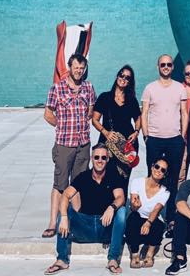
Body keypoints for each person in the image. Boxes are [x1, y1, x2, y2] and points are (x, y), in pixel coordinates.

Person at [45, 145, 128, 275]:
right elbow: (66, 195)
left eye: (103, 158)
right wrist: (65, 217)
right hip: (85, 227)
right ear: (91, 159)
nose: (99, 160)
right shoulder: (84, 177)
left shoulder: (114, 176)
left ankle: (113, 259)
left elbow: (121, 197)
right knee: (64, 213)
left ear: (107, 160)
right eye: (96, 157)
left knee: (121, 211)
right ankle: (62, 259)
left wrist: (112, 207)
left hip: (104, 227)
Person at [43, 53, 96, 239]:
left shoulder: (88, 88)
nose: (79, 71)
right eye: (76, 68)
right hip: (64, 144)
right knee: (60, 184)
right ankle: (52, 223)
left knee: (79, 184)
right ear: (69, 67)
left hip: (83, 144)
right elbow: (48, 114)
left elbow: (90, 111)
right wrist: (62, 125)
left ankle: (77, 222)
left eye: (82, 68)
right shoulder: (57, 89)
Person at [141, 54, 188, 228]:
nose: (166, 67)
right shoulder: (150, 88)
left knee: (173, 178)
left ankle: (170, 217)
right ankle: (149, 215)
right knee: (153, 177)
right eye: (163, 65)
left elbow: (184, 112)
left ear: (173, 67)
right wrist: (146, 136)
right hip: (154, 139)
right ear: (158, 66)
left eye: (169, 64)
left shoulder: (179, 88)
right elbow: (144, 112)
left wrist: (182, 136)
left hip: (174, 140)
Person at [92, 65, 142, 192]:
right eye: (122, 75)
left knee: (123, 180)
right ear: (117, 76)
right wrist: (106, 132)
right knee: (105, 177)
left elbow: (138, 118)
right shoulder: (105, 97)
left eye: (127, 78)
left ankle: (120, 209)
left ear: (130, 81)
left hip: (127, 146)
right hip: (107, 144)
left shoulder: (131, 100)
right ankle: (104, 208)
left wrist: (136, 132)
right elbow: (95, 120)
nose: (123, 79)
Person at [125, 155, 171, 268]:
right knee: (133, 218)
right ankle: (135, 254)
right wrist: (135, 205)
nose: (159, 171)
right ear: (152, 167)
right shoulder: (137, 182)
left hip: (151, 221)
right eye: (157, 166)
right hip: (137, 218)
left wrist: (148, 222)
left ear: (165, 174)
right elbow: (133, 205)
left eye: (163, 170)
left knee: (159, 225)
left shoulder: (165, 191)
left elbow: (157, 209)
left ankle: (149, 255)